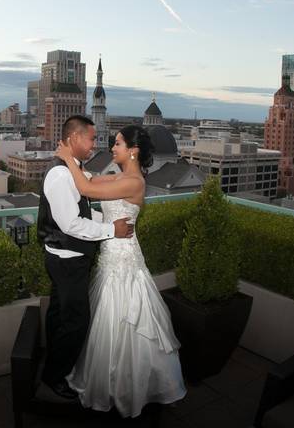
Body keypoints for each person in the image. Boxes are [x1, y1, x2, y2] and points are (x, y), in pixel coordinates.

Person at [55, 124, 186, 417]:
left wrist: (66, 158)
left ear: (133, 150)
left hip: (124, 258)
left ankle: (130, 387)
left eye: (117, 143)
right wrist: (74, 164)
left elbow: (86, 189)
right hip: (110, 254)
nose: (112, 148)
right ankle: (112, 382)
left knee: (124, 317)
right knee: (108, 317)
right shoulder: (120, 176)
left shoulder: (134, 182)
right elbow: (90, 180)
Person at [37, 115, 135, 400]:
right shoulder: (60, 174)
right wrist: (111, 230)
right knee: (76, 320)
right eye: (91, 138)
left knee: (59, 312)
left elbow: (83, 200)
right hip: (67, 259)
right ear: (75, 139)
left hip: (66, 256)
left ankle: (52, 363)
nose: (95, 144)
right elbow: (71, 224)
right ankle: (55, 376)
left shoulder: (73, 170)